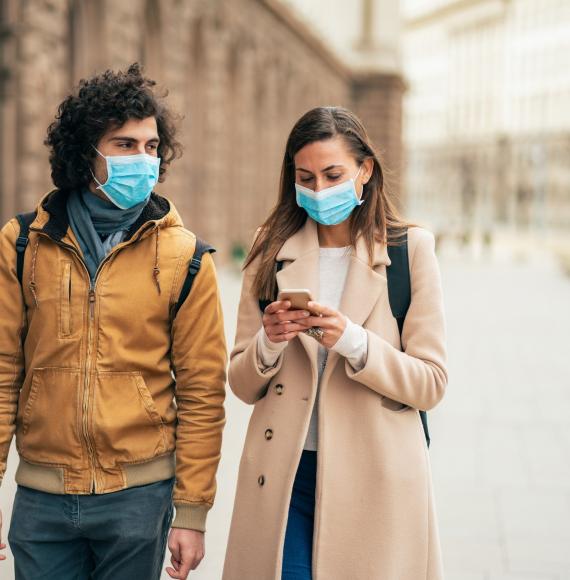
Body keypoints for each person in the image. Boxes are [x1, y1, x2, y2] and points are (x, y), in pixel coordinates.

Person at [0, 64, 227, 580]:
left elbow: (202, 392)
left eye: (151, 147)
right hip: (42, 499)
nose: (142, 159)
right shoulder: (21, 245)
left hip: (138, 499)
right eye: (124, 145)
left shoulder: (186, 258)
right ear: (87, 154)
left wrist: (191, 513)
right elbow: (2, 369)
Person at [223, 106, 448, 580]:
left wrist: (354, 342)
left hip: (375, 480)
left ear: (365, 170)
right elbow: (242, 383)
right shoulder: (270, 248)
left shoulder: (410, 250)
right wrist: (269, 341)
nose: (319, 191)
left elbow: (431, 383)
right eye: (306, 178)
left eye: (333, 174)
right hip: (287, 477)